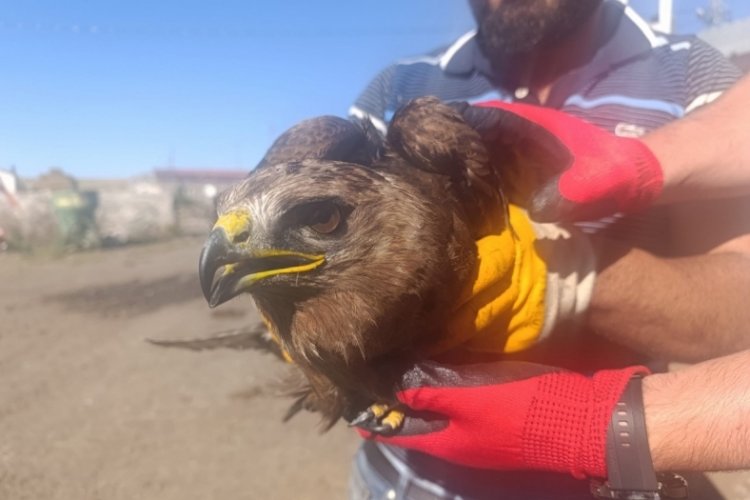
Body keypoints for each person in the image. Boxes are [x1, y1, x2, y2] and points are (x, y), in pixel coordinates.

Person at [348, 1, 749, 498]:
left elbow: (741, 307)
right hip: (405, 480)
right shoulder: (399, 87)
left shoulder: (691, 72)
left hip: (601, 485)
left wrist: (561, 278)